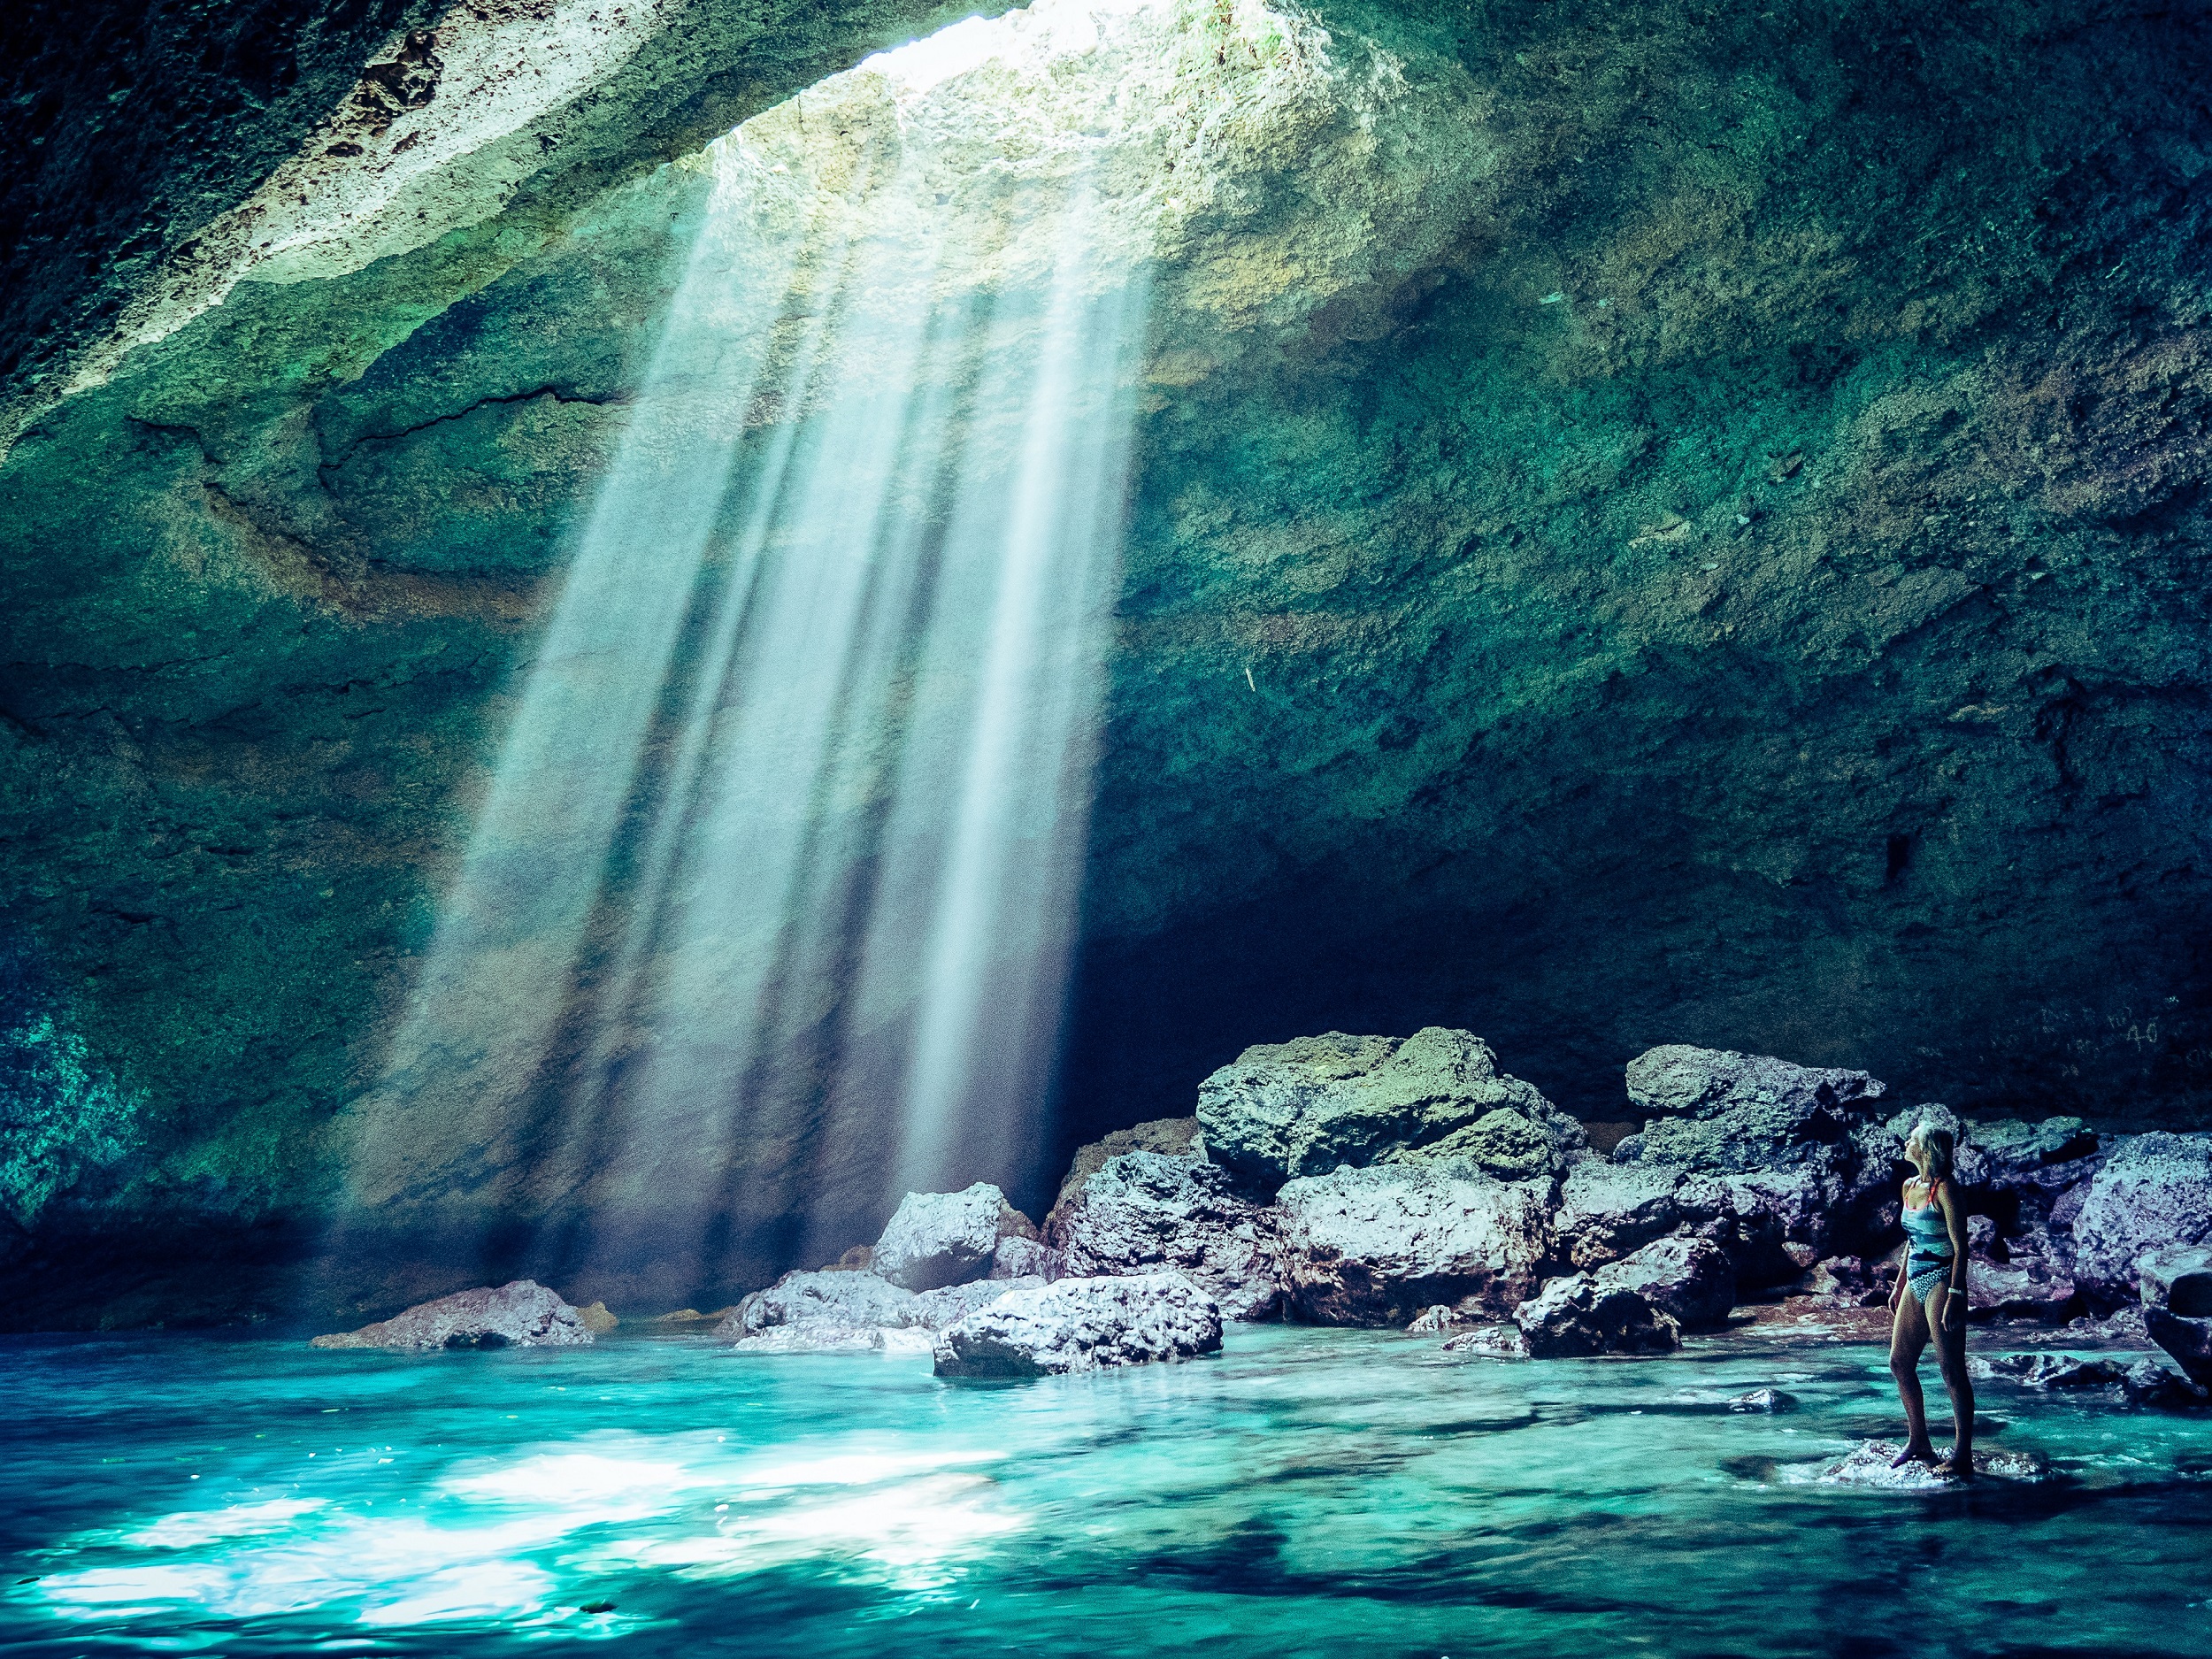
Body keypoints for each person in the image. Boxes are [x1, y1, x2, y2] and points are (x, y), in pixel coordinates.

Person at [1887, 1122, 1975, 1477]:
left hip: (1942, 1281)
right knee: (1899, 1362)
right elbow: (1913, 1240)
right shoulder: (1909, 1187)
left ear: (1925, 1149)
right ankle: (1919, 1440)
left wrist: (1956, 1293)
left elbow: (1960, 1246)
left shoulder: (1946, 1190)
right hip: (1916, 1278)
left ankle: (1962, 1454)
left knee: (1951, 1370)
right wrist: (1898, 1282)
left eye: (1912, 1138)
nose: (1906, 1142)